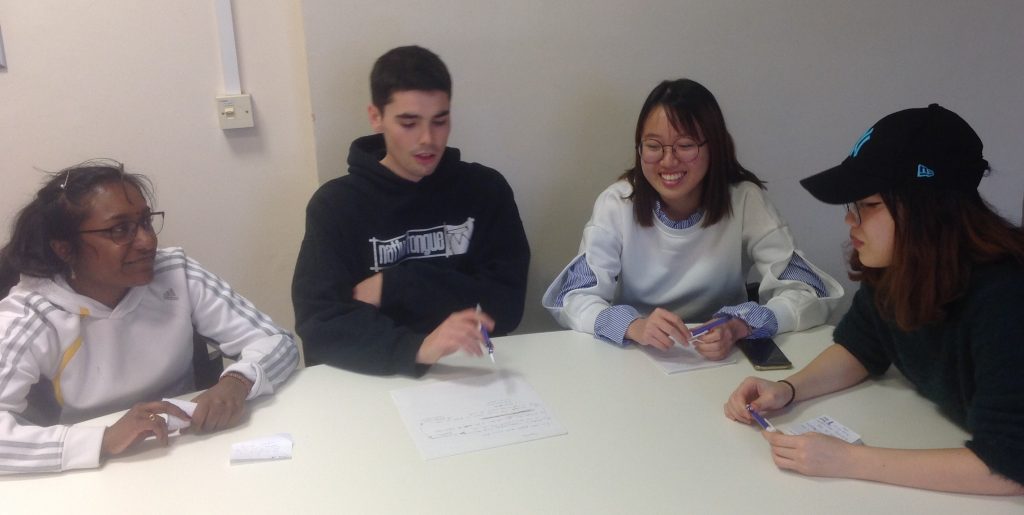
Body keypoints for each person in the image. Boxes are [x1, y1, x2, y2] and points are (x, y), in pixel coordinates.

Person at [724, 104, 1024, 495]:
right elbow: (861, 348)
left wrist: (848, 460)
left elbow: (1009, 465)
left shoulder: (1006, 298)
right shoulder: (898, 268)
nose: (851, 220)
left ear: (929, 210)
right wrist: (788, 389)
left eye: (868, 206)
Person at [0, 159, 299, 474]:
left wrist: (238, 381)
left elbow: (279, 342)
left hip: (191, 450)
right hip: (95, 470)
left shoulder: (176, 273)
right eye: (120, 230)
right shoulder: (32, 314)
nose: (147, 241)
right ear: (64, 248)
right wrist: (103, 439)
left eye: (145, 221)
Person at [543, 79, 842, 359]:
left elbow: (809, 292)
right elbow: (572, 297)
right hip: (638, 356)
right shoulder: (618, 203)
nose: (668, 160)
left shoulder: (744, 201)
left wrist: (741, 325)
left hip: (723, 358)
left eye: (685, 146)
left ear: (715, 147)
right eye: (653, 146)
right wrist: (633, 326)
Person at [292, 45, 530, 376]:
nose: (428, 139)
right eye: (409, 123)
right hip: (369, 377)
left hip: (470, 369)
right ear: (376, 117)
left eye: (440, 121)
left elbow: (505, 306)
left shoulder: (486, 190)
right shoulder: (336, 205)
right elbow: (321, 326)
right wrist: (418, 348)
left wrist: (395, 285)